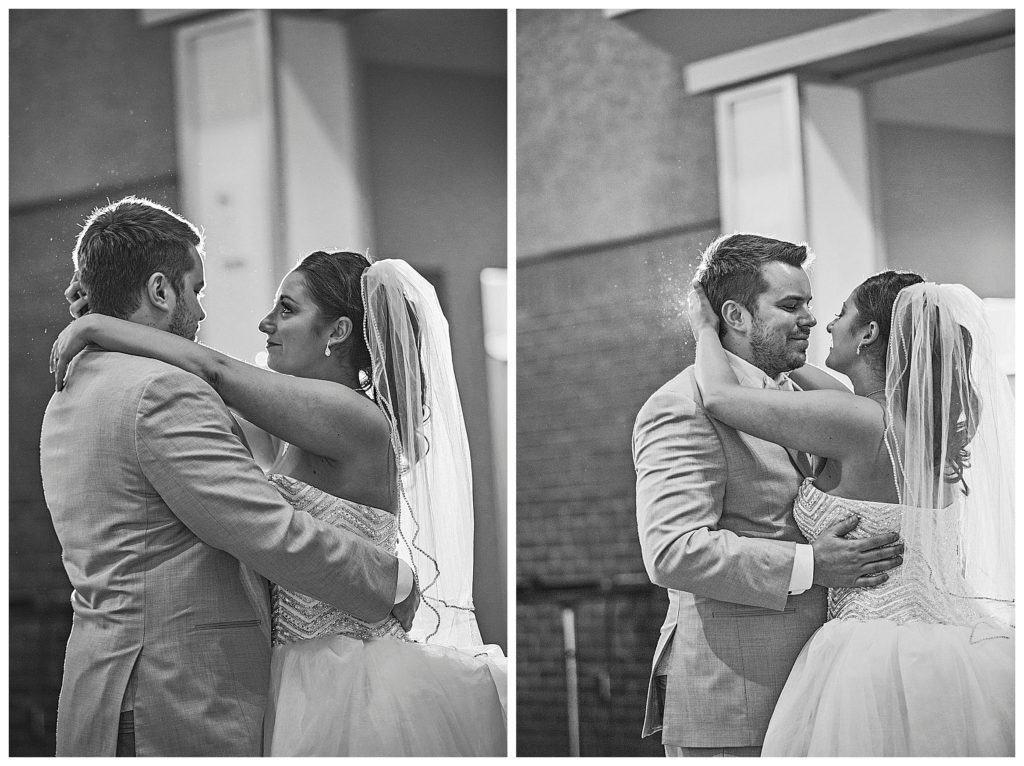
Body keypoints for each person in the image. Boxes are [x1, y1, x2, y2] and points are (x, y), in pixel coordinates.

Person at [52, 242, 507, 755]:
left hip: (340, 678)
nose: (265, 323)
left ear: (337, 331)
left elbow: (213, 371)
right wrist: (103, 304)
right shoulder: (295, 425)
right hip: (287, 672)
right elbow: (205, 413)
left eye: (286, 309)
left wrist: (99, 327)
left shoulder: (355, 417)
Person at [686, 269, 1014, 756]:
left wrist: (705, 328)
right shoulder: (918, 425)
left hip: (872, 653)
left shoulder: (855, 420)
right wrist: (777, 348)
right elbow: (797, 374)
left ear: (869, 333)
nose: (825, 324)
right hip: (947, 647)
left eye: (841, 314)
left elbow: (720, 397)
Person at [633, 233, 905, 756]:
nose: (811, 319)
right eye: (791, 305)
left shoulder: (807, 397)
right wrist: (811, 565)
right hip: (736, 697)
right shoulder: (682, 406)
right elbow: (673, 551)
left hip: (824, 689)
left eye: (809, 304)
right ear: (736, 316)